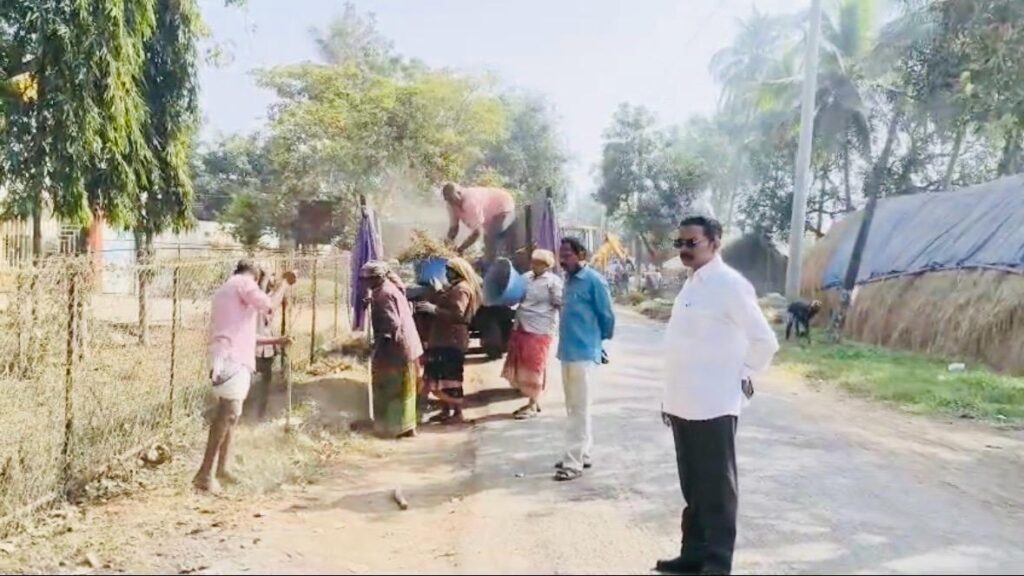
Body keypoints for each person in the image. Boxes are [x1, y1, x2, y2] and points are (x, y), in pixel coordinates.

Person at [656, 216, 779, 576]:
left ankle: (716, 563)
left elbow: (764, 341)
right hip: (682, 403)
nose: (683, 250)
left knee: (717, 491)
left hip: (713, 406)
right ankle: (693, 555)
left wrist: (743, 377)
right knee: (693, 487)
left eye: (691, 242)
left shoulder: (729, 285)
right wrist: (668, 399)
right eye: (679, 243)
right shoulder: (692, 285)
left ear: (715, 242)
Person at [195, 260, 293, 493]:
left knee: (231, 416)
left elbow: (244, 333)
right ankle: (204, 474)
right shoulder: (244, 283)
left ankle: (221, 469)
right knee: (228, 414)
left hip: (227, 356)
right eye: (263, 276)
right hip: (232, 359)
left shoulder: (228, 288)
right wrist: (285, 284)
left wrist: (276, 341)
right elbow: (269, 305)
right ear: (255, 273)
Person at [554, 237, 615, 482]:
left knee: (578, 410)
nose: (562, 259)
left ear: (581, 255)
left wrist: (598, 343)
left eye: (568, 255)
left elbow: (607, 317)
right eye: (561, 254)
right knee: (575, 406)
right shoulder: (567, 281)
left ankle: (573, 462)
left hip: (584, 354)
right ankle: (583, 453)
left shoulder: (594, 281)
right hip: (567, 352)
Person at [415, 257, 482, 424]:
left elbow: (458, 314)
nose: (446, 274)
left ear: (457, 272)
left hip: (451, 339)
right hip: (443, 337)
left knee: (451, 376)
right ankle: (445, 411)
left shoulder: (462, 289)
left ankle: (457, 413)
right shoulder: (455, 288)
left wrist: (434, 309)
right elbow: (449, 304)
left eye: (449, 271)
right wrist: (438, 293)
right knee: (440, 375)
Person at [362, 261, 424, 439]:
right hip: (408, 345)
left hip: (396, 349)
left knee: (391, 387)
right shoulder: (388, 288)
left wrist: (375, 348)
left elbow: (391, 325)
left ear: (377, 278)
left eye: (368, 279)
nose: (365, 283)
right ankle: (408, 426)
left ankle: (394, 428)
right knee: (406, 388)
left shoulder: (383, 295)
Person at [502, 249, 563, 420]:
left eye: (538, 263)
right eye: (533, 262)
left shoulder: (553, 282)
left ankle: (532, 403)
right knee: (521, 363)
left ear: (547, 265)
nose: (534, 265)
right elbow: (515, 296)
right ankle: (533, 401)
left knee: (535, 365)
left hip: (541, 329)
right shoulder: (525, 278)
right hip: (522, 325)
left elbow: (560, 304)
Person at [443, 183, 516, 261]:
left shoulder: (471, 202)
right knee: (488, 241)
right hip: (489, 215)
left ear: (459, 193)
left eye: (452, 199)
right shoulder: (450, 205)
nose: (451, 203)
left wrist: (460, 249)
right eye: (447, 200)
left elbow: (477, 233)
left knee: (490, 239)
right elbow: (454, 228)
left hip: (503, 207)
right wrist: (447, 246)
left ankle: (490, 267)